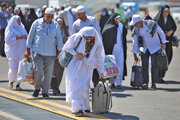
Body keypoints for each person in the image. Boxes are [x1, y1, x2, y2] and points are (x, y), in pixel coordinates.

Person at [64, 26, 105, 117]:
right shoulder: (76, 37)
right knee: (76, 87)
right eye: (87, 38)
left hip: (87, 67)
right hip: (74, 66)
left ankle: (86, 106)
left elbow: (99, 57)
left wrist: (101, 71)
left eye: (91, 38)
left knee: (86, 88)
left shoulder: (97, 43)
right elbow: (67, 48)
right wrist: (76, 54)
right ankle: (77, 109)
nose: (89, 40)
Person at [25, 8, 63, 98]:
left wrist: (59, 51)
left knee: (48, 73)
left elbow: (58, 38)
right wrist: (27, 50)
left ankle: (45, 91)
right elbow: (30, 36)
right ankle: (37, 88)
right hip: (38, 51)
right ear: (44, 14)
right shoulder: (36, 23)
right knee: (38, 70)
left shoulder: (56, 25)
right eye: (47, 16)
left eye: (51, 17)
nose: (49, 18)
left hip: (51, 53)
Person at [130, 14, 166, 89]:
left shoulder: (151, 24)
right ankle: (145, 83)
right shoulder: (136, 29)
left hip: (155, 47)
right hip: (144, 48)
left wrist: (163, 43)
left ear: (139, 21)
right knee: (144, 66)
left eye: (134, 23)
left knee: (154, 64)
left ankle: (153, 83)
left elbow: (161, 33)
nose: (134, 25)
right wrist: (135, 55)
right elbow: (135, 42)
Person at [71, 5, 102, 87]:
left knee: (94, 66)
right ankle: (84, 87)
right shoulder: (75, 24)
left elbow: (98, 34)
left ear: (84, 13)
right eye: (77, 14)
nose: (78, 16)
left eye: (79, 14)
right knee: (83, 69)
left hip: (93, 47)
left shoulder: (93, 20)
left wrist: (100, 46)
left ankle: (95, 85)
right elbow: (73, 39)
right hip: (81, 50)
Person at [102, 13, 127, 88]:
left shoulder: (121, 26)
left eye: (119, 18)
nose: (118, 20)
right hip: (112, 48)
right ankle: (112, 82)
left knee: (120, 65)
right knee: (112, 65)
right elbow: (104, 34)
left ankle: (119, 83)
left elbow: (124, 33)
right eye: (116, 18)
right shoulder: (109, 27)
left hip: (120, 48)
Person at [154, 5, 177, 83]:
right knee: (159, 60)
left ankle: (161, 76)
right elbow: (154, 29)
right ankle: (157, 76)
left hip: (168, 42)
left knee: (167, 58)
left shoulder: (170, 18)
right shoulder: (157, 19)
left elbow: (174, 27)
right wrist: (163, 33)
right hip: (159, 43)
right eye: (164, 11)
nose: (166, 13)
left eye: (167, 12)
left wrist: (171, 32)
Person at [4, 15, 27, 90]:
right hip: (12, 51)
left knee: (20, 68)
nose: (19, 22)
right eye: (18, 20)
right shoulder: (10, 29)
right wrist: (17, 38)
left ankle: (18, 84)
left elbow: (26, 35)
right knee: (13, 67)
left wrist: (25, 37)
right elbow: (7, 41)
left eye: (20, 20)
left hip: (21, 50)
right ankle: (11, 81)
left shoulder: (22, 27)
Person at [51, 18, 69, 95]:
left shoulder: (64, 31)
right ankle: (54, 88)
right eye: (58, 23)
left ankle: (57, 86)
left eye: (61, 23)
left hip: (62, 53)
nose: (59, 25)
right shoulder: (53, 30)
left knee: (60, 72)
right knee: (54, 71)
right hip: (53, 53)